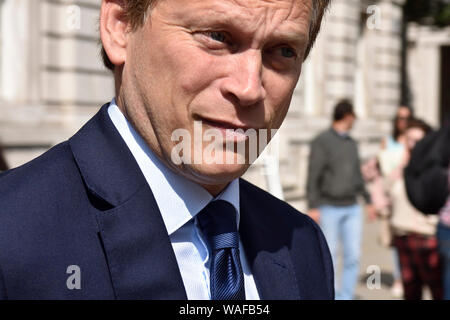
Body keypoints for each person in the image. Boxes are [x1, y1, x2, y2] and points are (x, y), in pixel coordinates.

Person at [0, 0, 334, 300]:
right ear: (120, 26)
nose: (249, 88)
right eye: (217, 36)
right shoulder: (12, 234)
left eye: (284, 50)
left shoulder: (303, 243)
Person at [306, 100, 375, 300]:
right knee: (330, 257)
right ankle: (331, 296)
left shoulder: (352, 143)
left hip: (352, 207)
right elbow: (313, 175)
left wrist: (368, 201)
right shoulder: (322, 141)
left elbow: (357, 176)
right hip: (329, 207)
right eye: (354, 116)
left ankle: (346, 296)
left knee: (353, 256)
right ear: (347, 116)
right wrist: (313, 205)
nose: (355, 120)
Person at [389, 119, 442, 300]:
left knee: (437, 288)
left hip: (428, 236)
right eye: (410, 139)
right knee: (411, 291)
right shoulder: (398, 165)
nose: (414, 144)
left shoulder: (435, 169)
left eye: (418, 140)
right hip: (403, 235)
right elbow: (382, 194)